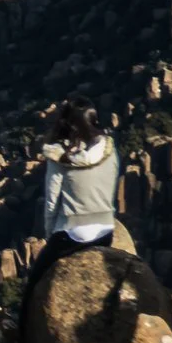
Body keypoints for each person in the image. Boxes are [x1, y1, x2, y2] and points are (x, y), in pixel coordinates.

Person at [32, 101, 118, 282]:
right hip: (106, 231)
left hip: (74, 234)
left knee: (35, 279)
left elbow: (52, 202)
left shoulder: (59, 159)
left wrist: (51, 237)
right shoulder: (110, 150)